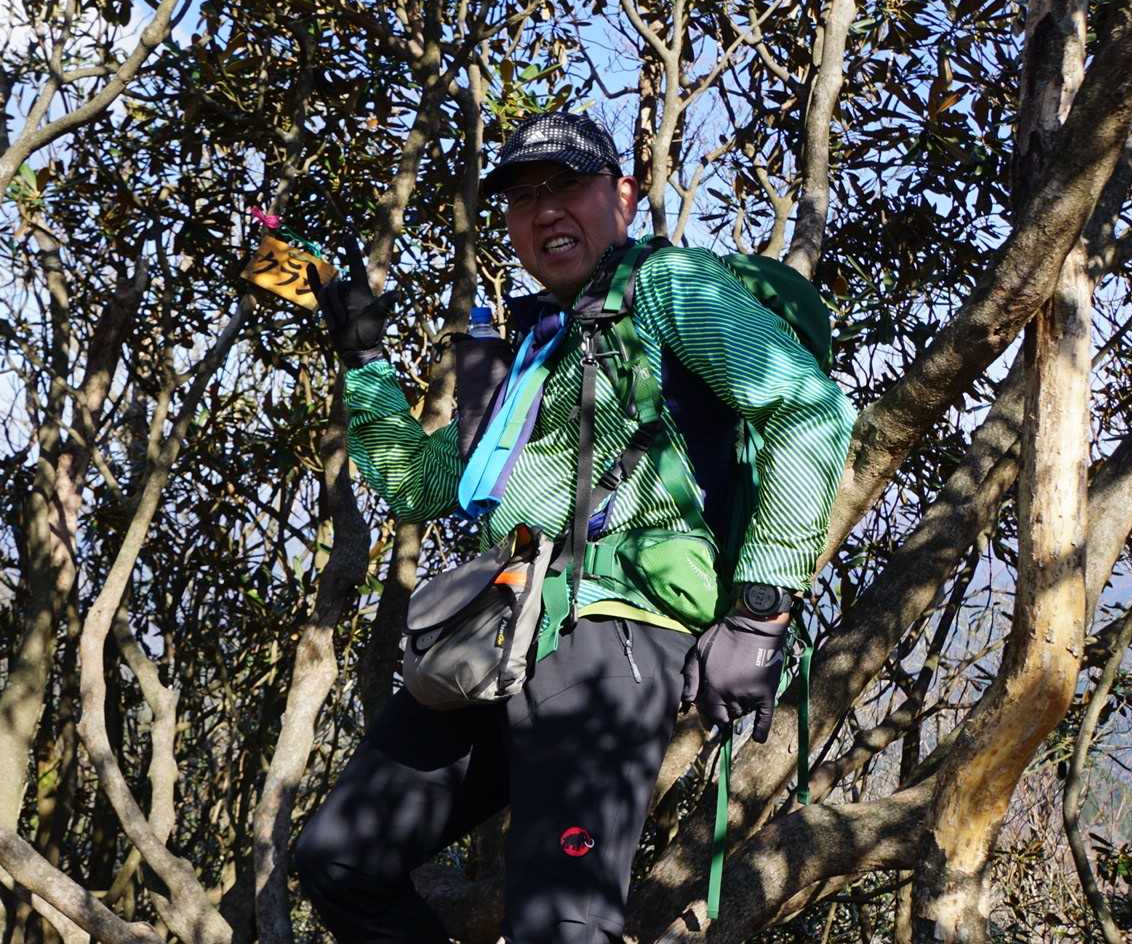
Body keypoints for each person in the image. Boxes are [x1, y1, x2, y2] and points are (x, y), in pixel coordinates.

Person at [293, 111, 854, 943]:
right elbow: (419, 485)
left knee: (561, 920)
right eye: (522, 196)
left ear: (621, 197)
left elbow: (809, 408)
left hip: (611, 633)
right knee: (339, 861)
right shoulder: (536, 348)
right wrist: (366, 360)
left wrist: (760, 611)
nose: (545, 209)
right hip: (503, 627)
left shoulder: (667, 286)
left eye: (567, 185)